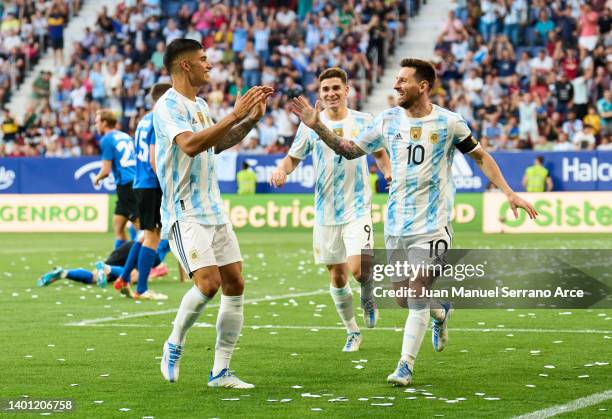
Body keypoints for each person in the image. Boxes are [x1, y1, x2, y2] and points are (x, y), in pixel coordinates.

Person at [291, 58, 537, 386]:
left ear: (422, 86)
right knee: (404, 298)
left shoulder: (450, 123)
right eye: (395, 80)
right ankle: (440, 312)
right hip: (396, 225)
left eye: (402, 81)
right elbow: (349, 150)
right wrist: (317, 126)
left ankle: (405, 364)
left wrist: (508, 192)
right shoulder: (387, 120)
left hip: (434, 224)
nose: (395, 85)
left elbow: (481, 157)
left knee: (418, 288)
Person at [152, 38, 273, 388]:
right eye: (204, 59)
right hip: (184, 211)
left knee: (235, 283)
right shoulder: (167, 106)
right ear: (185, 65)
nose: (210, 65)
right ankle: (174, 342)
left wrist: (248, 121)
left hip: (213, 209)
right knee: (208, 284)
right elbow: (190, 145)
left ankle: (221, 371)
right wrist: (234, 113)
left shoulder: (201, 104)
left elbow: (216, 143)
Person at [270, 67, 391, 352]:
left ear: (347, 91)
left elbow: (380, 153)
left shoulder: (364, 121)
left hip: (358, 206)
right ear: (320, 95)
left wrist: (388, 174)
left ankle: (368, 293)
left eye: (336, 88)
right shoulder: (310, 125)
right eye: (325, 90)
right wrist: (281, 170)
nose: (331, 93)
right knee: (337, 276)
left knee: (359, 270)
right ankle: (352, 331)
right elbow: (292, 159)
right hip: (326, 211)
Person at [113, 83, 172, 301]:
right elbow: (153, 157)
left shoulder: (144, 120)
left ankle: (124, 278)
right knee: (153, 237)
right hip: (151, 183)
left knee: (144, 234)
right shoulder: (160, 119)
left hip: (139, 183)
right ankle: (142, 289)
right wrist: (165, 183)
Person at [93, 109, 140, 249]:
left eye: (97, 122)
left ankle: (152, 263)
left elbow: (106, 171)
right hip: (132, 182)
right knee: (118, 226)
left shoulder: (106, 139)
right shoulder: (125, 136)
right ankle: (121, 261)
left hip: (127, 185)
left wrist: (97, 178)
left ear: (104, 123)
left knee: (140, 228)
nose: (95, 125)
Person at [36, 241, 170, 288]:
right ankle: (107, 268)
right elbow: (183, 259)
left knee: (94, 277)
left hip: (130, 246)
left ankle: (64, 273)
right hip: (148, 251)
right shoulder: (179, 233)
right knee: (134, 277)